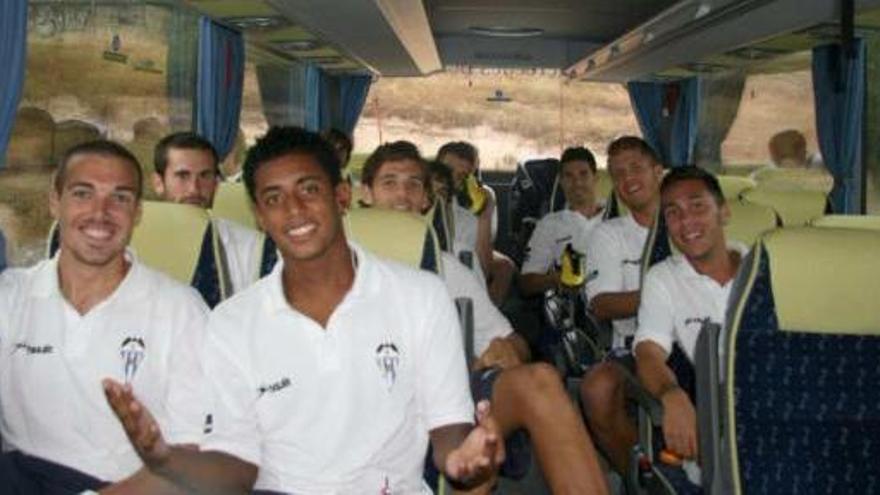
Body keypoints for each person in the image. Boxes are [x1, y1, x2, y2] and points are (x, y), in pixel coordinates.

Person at [102, 127, 504, 494]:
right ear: (260, 217)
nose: (293, 209)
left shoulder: (421, 297)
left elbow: (447, 426)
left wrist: (462, 457)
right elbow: (236, 467)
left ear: (341, 195)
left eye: (308, 190)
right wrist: (166, 459)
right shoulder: (232, 321)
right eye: (273, 198)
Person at [360, 140, 609, 495]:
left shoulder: (447, 268)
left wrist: (507, 350)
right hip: (359, 404)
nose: (403, 194)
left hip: (442, 406)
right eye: (389, 182)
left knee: (539, 378)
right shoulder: (329, 267)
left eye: (414, 184)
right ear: (365, 194)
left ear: (426, 201)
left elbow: (514, 342)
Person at [0, 140, 208, 493]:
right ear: (55, 202)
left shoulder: (181, 310)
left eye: (120, 198)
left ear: (138, 212)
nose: (101, 212)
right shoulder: (10, 297)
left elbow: (192, 458)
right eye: (83, 193)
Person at [633, 166, 745, 481]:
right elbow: (648, 352)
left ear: (724, 212)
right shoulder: (663, 278)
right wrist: (671, 393)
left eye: (698, 206)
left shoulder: (766, 270)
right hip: (716, 434)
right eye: (673, 213)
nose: (686, 222)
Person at [578, 136, 664, 473]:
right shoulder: (609, 234)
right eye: (617, 174)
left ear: (658, 172)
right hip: (635, 346)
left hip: (707, 344)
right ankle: (640, 476)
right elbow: (601, 305)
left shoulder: (691, 226)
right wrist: (669, 299)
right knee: (598, 388)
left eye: (636, 168)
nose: (628, 179)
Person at [152, 132, 261, 294]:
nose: (194, 189)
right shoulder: (132, 244)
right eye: (182, 176)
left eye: (205, 176)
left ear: (216, 185)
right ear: (158, 183)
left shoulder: (251, 246)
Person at [437, 141, 516, 306]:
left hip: (454, 278)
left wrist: (484, 217)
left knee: (505, 267)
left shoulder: (471, 217)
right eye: (447, 172)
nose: (450, 181)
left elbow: (482, 269)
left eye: (460, 176)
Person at [519, 146, 604, 296]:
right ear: (561, 182)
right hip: (573, 306)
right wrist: (557, 279)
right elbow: (526, 282)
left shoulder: (616, 217)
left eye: (583, 174)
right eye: (569, 176)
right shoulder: (549, 224)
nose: (577, 182)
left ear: (595, 178)